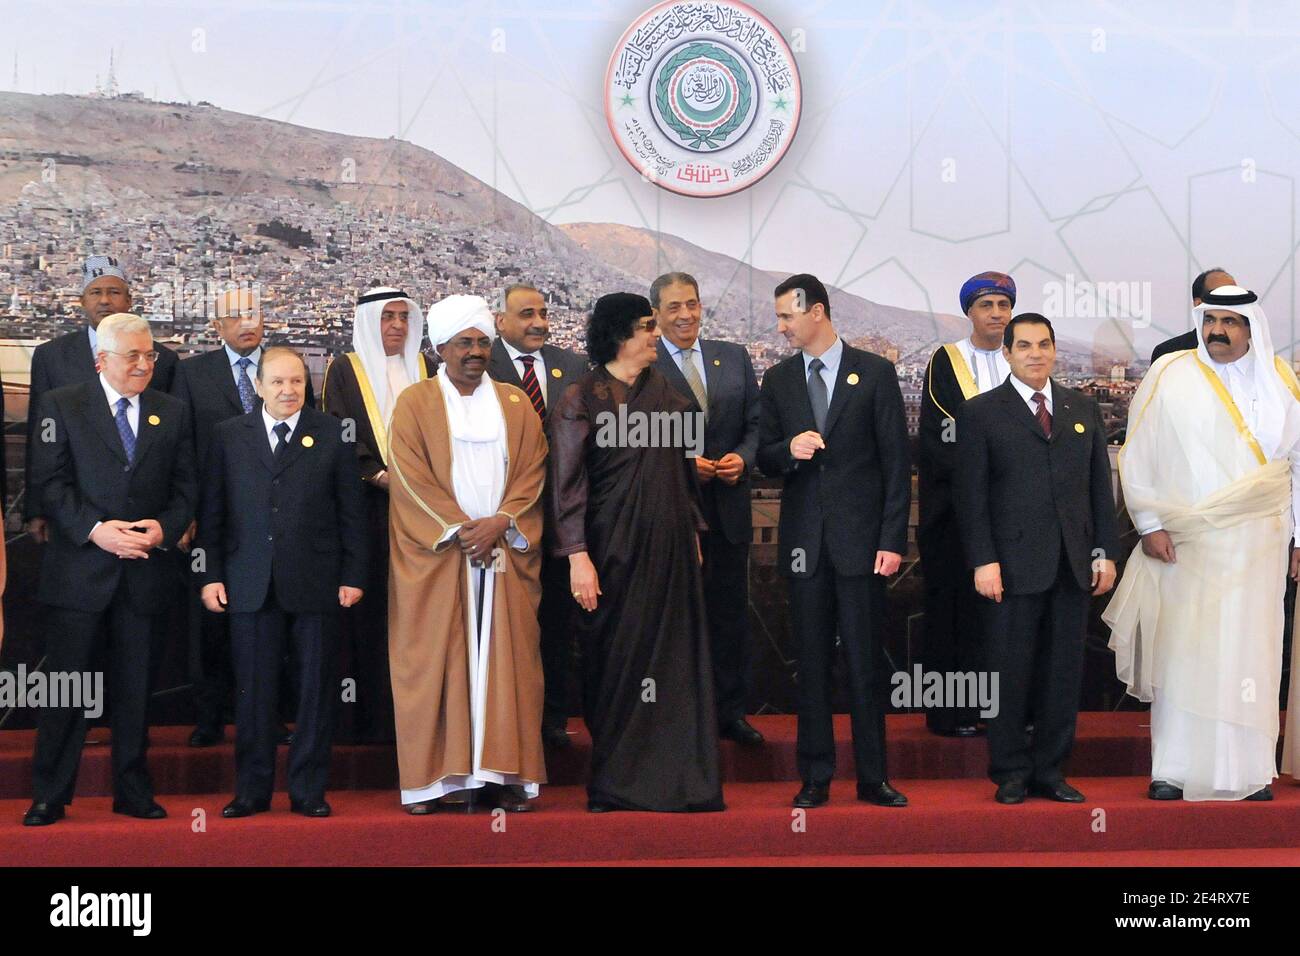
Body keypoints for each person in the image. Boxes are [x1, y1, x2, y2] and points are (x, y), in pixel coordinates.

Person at [1106, 287, 1300, 801]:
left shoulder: (1282, 380)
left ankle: (1250, 773)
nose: (1217, 330)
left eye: (1230, 322)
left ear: (1251, 326)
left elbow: (1297, 466)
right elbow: (1139, 452)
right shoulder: (1170, 373)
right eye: (1209, 319)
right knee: (1184, 649)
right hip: (1185, 541)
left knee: (1250, 651)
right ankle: (1172, 768)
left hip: (1262, 541)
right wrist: (1148, 524)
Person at [550, 292, 724, 813]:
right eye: (648, 326)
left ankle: (680, 783)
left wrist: (693, 531)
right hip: (609, 554)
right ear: (619, 333)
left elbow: (684, 476)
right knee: (615, 660)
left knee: (675, 664)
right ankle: (615, 782)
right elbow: (566, 484)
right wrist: (577, 554)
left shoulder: (668, 395)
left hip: (670, 551)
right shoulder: (580, 398)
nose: (657, 334)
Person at [23, 313, 196, 826]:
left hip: (145, 573)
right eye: (133, 357)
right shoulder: (62, 405)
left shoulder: (173, 411)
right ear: (102, 360)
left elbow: (188, 487)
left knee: (137, 689)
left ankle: (133, 791)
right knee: (67, 690)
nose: (145, 364)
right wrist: (97, 531)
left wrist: (165, 528)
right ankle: (50, 794)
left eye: (150, 356)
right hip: (80, 572)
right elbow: (48, 484)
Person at [387, 295, 548, 813]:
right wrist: (460, 530)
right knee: (436, 663)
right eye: (464, 343)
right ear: (439, 349)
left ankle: (504, 776)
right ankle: (434, 783)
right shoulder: (415, 402)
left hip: (502, 551)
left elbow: (534, 469)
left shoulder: (516, 401)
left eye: (482, 341)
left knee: (508, 662)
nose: (475, 352)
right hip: (443, 557)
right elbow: (409, 479)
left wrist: (502, 523)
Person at [757, 274, 911, 809]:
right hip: (804, 548)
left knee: (866, 664)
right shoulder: (776, 380)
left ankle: (874, 777)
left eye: (787, 317)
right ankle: (815, 776)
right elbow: (761, 455)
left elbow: (896, 464)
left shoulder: (875, 373)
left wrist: (892, 540)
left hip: (864, 547)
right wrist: (786, 449)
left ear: (817, 311)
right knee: (813, 663)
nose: (780, 328)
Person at [956, 313, 1119, 804]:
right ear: (1005, 353)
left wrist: (1104, 554)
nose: (1035, 353)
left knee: (1062, 673)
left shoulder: (1081, 407)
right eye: (1023, 345)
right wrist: (983, 561)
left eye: (1044, 344)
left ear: (1054, 350)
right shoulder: (981, 412)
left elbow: (1098, 490)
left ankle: (1050, 771)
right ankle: (1008, 771)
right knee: (1009, 673)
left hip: (1072, 566)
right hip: (1008, 568)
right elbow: (971, 497)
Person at [198, 347, 367, 819]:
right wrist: (210, 575)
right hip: (247, 582)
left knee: (315, 690)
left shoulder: (332, 433)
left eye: (296, 381)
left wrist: (354, 575)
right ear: (258, 386)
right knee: (253, 692)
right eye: (278, 382)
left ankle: (308, 790)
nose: (289, 390)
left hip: (317, 581)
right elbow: (213, 514)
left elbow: (351, 513)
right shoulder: (229, 436)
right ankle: (251, 791)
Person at [172, 287, 314, 747]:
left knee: (273, 623)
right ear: (217, 327)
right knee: (213, 624)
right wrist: (187, 513)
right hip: (214, 519)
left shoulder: (286, 371)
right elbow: (183, 448)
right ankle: (210, 716)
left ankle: (270, 716)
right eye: (234, 316)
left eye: (253, 313)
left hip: (274, 523)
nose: (246, 322)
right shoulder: (193, 374)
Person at [651, 271, 763, 745]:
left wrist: (746, 458)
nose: (685, 315)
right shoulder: (643, 362)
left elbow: (757, 423)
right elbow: (628, 434)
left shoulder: (733, 357)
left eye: (692, 304)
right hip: (671, 514)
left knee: (729, 615)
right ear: (655, 314)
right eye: (674, 307)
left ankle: (729, 713)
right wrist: (680, 463)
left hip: (730, 510)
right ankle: (679, 719)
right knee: (672, 620)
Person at [322, 286, 435, 744]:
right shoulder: (344, 370)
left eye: (404, 318)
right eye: (387, 317)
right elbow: (339, 434)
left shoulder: (429, 369)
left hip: (426, 513)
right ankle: (369, 722)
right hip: (367, 509)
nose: (396, 326)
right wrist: (379, 476)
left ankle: (421, 722)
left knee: (420, 616)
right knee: (370, 616)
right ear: (370, 322)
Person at [486, 283, 588, 749]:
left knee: (558, 626)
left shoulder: (573, 367)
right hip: (506, 522)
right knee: (512, 626)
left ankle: (552, 721)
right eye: (527, 314)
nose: (539, 322)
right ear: (499, 321)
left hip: (564, 523)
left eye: (544, 312)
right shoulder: (481, 367)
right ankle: (512, 723)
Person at [917, 271, 1015, 737]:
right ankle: (955, 711)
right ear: (969, 312)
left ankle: (1013, 711)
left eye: (1002, 304)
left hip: (1017, 516)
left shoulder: (1027, 358)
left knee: (1010, 617)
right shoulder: (945, 361)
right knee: (957, 611)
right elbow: (939, 438)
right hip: (957, 515)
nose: (996, 313)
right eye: (986, 305)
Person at [25, 255, 179, 544]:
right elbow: (38, 435)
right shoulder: (52, 356)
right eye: (96, 292)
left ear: (129, 301)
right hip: (73, 510)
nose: (105, 300)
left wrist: (174, 522)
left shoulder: (164, 360)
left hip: (144, 515)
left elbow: (175, 444)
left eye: (114, 292)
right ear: (83, 301)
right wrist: (37, 509)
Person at [1149, 268, 1236, 364]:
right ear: (1199, 304)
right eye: (1222, 296)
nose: (1231, 302)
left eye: (1235, 295)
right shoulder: (1168, 353)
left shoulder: (1249, 350)